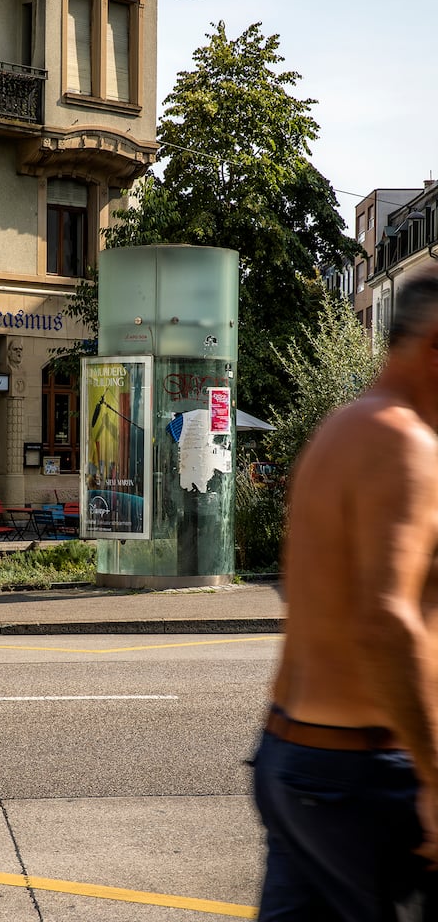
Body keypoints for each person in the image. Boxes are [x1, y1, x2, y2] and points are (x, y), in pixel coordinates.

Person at [253, 266, 438, 921]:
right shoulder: (406, 445)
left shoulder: (342, 428)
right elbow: (387, 622)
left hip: (292, 761)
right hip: (362, 774)